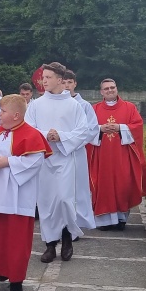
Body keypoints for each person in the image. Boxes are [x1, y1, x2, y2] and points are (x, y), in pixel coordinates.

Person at [0, 95, 52, 291]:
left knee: (16, 240)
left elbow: (35, 161)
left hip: (17, 197)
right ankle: (3, 268)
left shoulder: (32, 134)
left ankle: (16, 282)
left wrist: (8, 162)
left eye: (3, 111)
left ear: (16, 115)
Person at [25, 62, 90, 263]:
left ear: (60, 80)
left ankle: (67, 236)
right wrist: (47, 134)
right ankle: (50, 245)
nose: (44, 80)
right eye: (43, 77)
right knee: (46, 202)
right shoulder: (36, 104)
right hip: (43, 159)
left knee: (64, 199)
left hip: (64, 158)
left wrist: (61, 136)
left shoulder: (74, 105)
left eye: (48, 77)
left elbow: (83, 132)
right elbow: (28, 129)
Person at [88, 79, 146, 231]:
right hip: (102, 158)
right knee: (103, 186)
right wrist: (100, 129)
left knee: (123, 185)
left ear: (116, 89)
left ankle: (121, 219)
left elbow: (138, 126)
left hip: (122, 156)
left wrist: (120, 127)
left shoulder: (129, 107)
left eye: (112, 87)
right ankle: (103, 221)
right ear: (101, 92)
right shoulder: (94, 109)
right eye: (106, 88)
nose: (110, 90)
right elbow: (86, 129)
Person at [61, 70, 97, 232]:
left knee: (78, 187)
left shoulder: (85, 105)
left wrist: (72, 142)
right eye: (64, 82)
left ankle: (79, 220)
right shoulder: (56, 104)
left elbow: (92, 129)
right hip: (59, 151)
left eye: (70, 82)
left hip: (76, 151)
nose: (66, 86)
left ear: (75, 83)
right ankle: (63, 221)